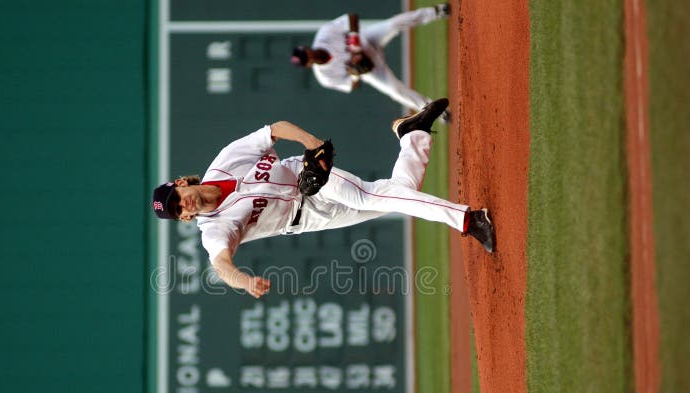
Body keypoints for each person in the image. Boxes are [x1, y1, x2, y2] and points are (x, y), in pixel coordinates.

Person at [151, 99, 494, 299]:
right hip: (309, 220)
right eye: (177, 211)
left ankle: (469, 220)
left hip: (310, 180)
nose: (183, 206)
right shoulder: (213, 228)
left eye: (176, 198)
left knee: (370, 195)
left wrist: (311, 144)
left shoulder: (225, 161)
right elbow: (220, 264)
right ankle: (412, 134)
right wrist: (244, 281)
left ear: (181, 183)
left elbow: (275, 129)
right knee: (395, 195)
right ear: (182, 219)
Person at [291, 6, 451, 116]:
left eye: (305, 53)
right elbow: (351, 86)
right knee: (395, 92)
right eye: (306, 59)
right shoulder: (325, 77)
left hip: (367, 40)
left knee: (394, 24)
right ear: (307, 65)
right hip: (370, 69)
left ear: (306, 47)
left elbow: (351, 17)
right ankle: (437, 111)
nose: (309, 56)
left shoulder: (324, 34)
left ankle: (436, 11)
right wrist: (355, 73)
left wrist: (354, 45)